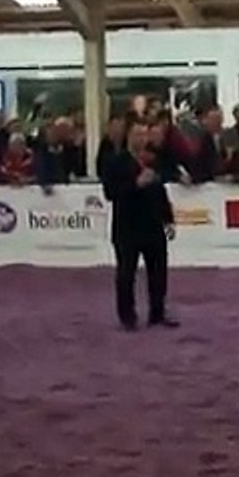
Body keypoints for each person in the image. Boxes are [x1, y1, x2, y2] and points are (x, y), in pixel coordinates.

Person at [102, 120, 178, 331]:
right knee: (126, 274)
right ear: (128, 136)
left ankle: (157, 313)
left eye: (144, 134)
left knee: (159, 273)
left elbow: (160, 192)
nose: (141, 139)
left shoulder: (153, 160)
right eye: (137, 134)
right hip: (127, 227)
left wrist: (168, 219)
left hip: (153, 225)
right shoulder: (115, 162)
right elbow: (110, 193)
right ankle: (127, 317)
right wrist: (136, 184)